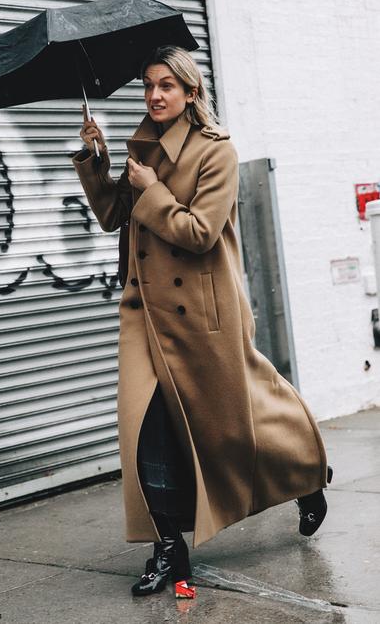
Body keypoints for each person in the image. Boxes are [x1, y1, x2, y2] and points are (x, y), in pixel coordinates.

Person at [72, 45, 332, 600]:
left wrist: (150, 189)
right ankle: (169, 547)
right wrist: (96, 162)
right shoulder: (142, 144)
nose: (154, 95)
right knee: (144, 433)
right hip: (145, 314)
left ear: (192, 93)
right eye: (148, 85)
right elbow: (115, 217)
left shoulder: (218, 153)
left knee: (237, 426)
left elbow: (199, 233)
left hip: (204, 315)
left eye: (167, 85)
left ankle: (304, 474)